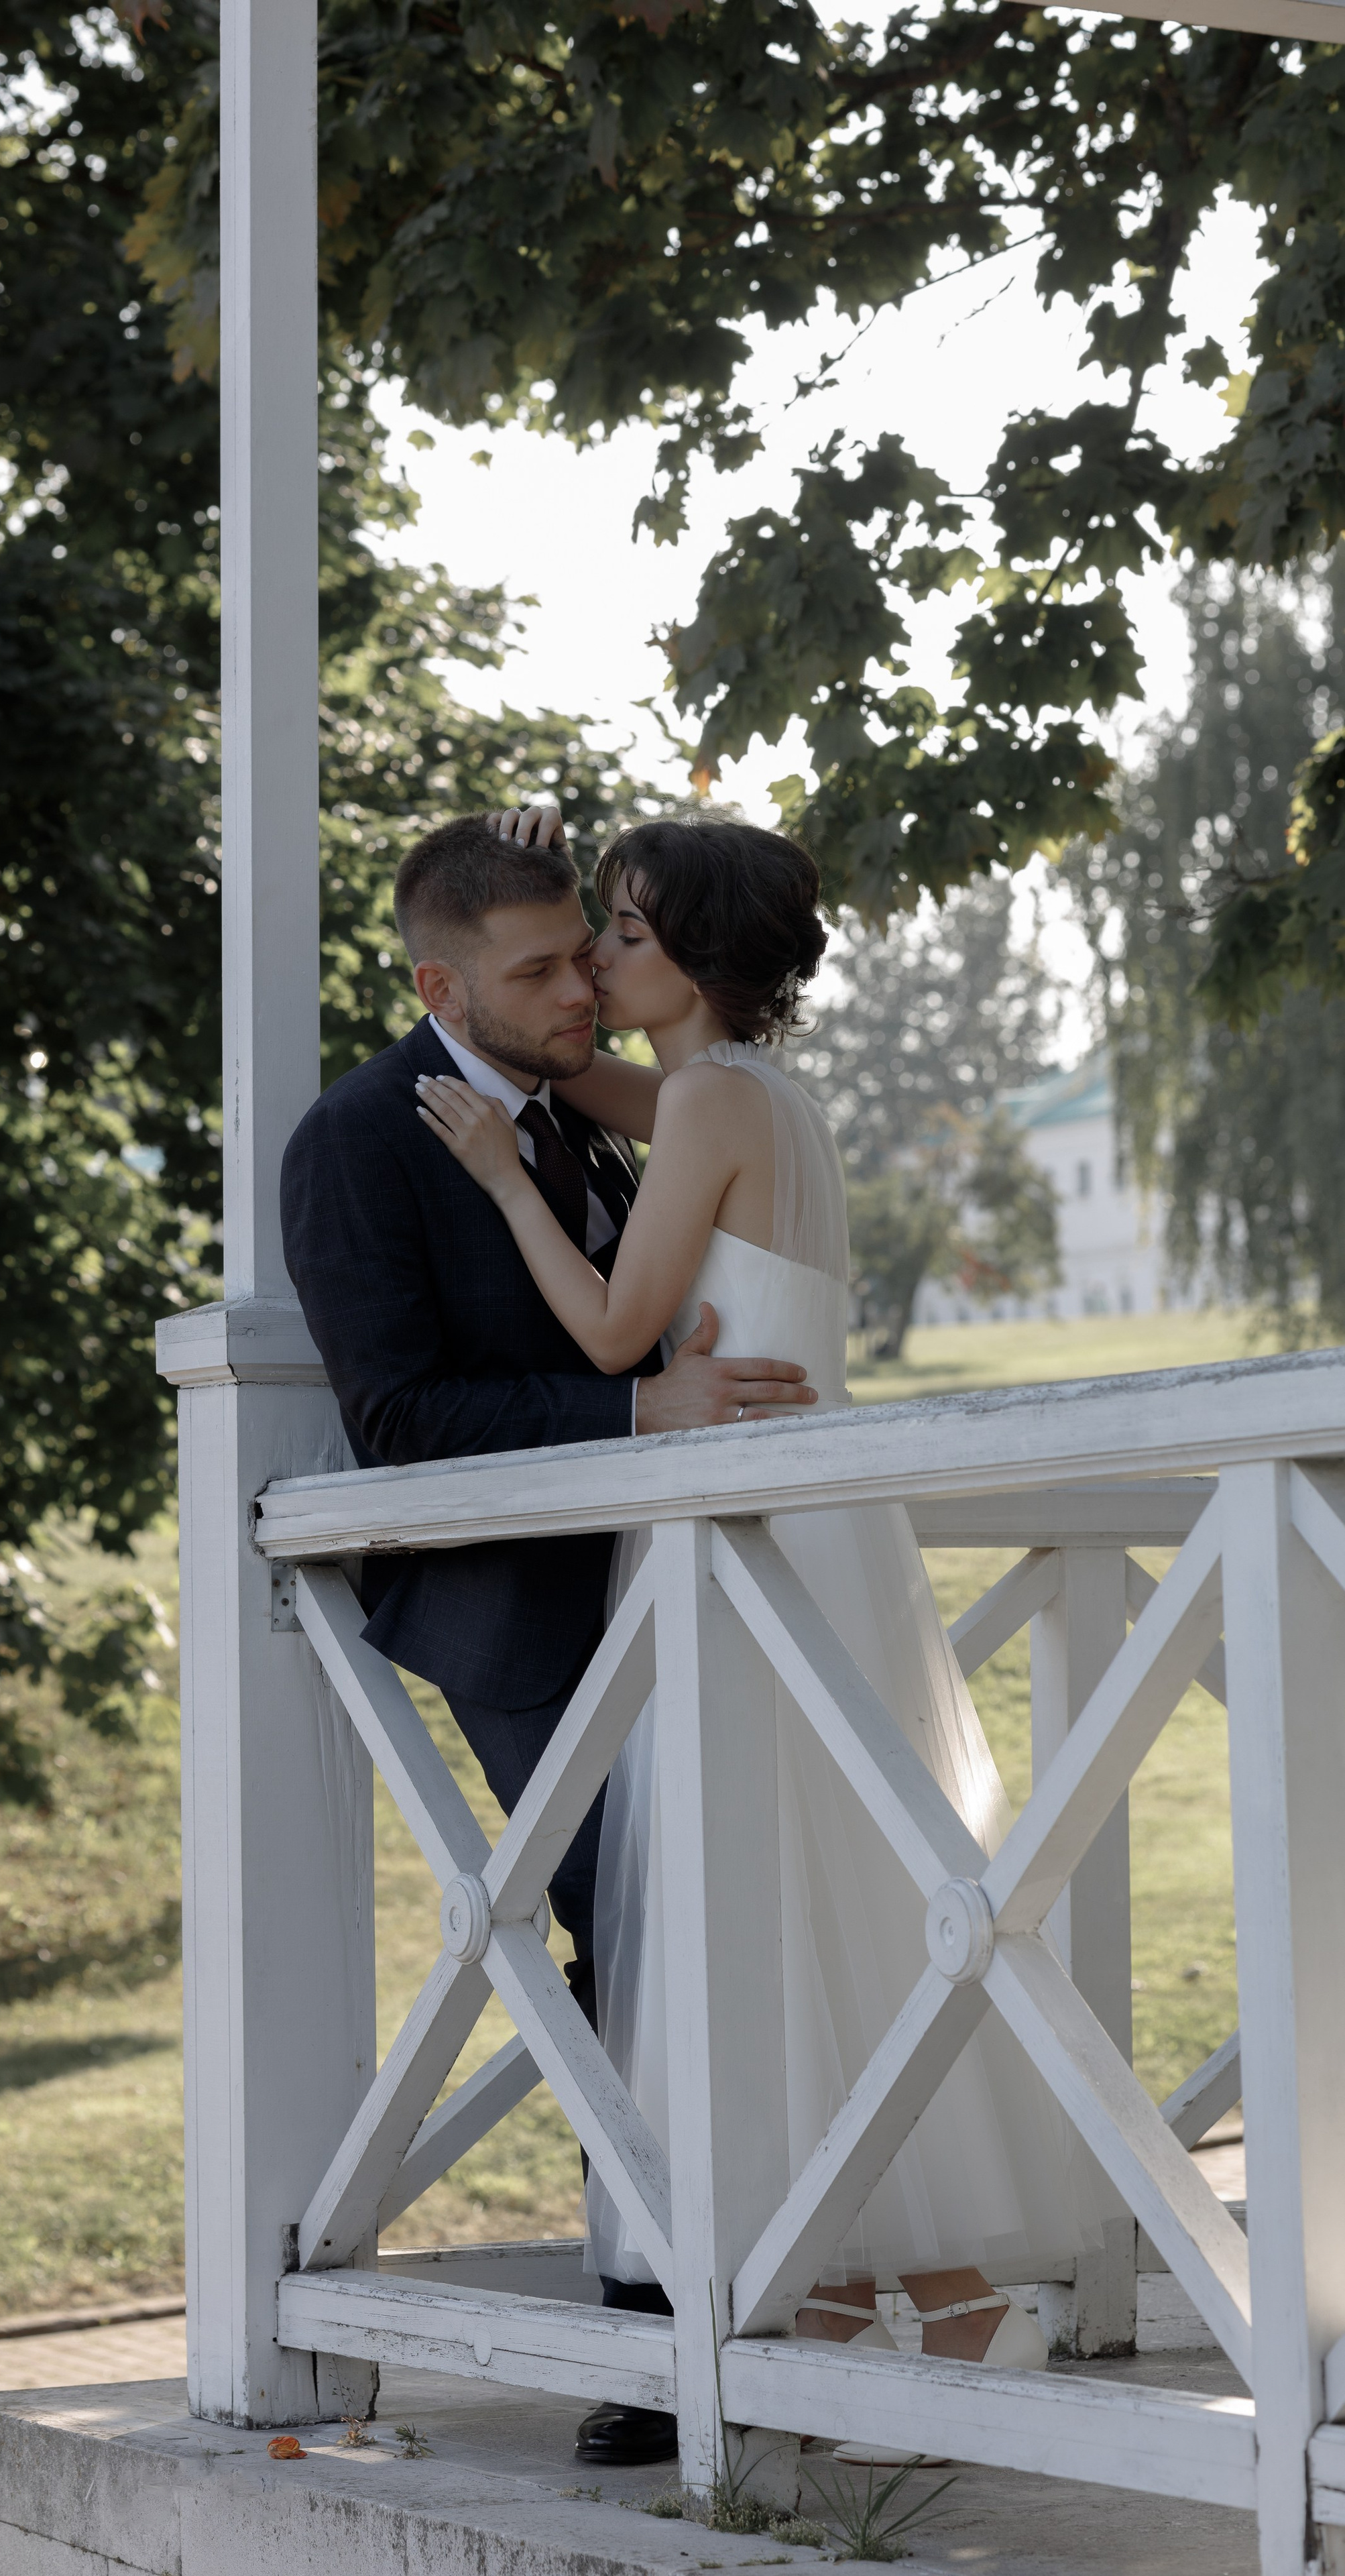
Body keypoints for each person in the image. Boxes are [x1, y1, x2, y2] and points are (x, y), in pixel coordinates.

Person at [416, 807, 1108, 2461]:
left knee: (752, 1892)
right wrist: (501, 1011)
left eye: (625, 938)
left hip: (745, 1541)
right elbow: (578, 1072)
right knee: (821, 1897)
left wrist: (507, 1182)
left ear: (703, 963)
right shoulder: (752, 1092)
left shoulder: (714, 1098)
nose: (595, 962)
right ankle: (897, 2300)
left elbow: (608, 1329)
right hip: (807, 1534)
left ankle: (828, 2304)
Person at [280, 811, 816, 2469]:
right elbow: (402, 1418)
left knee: (730, 1933)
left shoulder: (595, 1103)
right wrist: (633, 1407)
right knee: (611, 1951)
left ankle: (768, 2289)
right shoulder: (360, 1141)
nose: (579, 980)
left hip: (679, 1582)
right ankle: (653, 2338)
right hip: (523, 1609)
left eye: (588, 944)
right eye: (539, 967)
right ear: (441, 981)